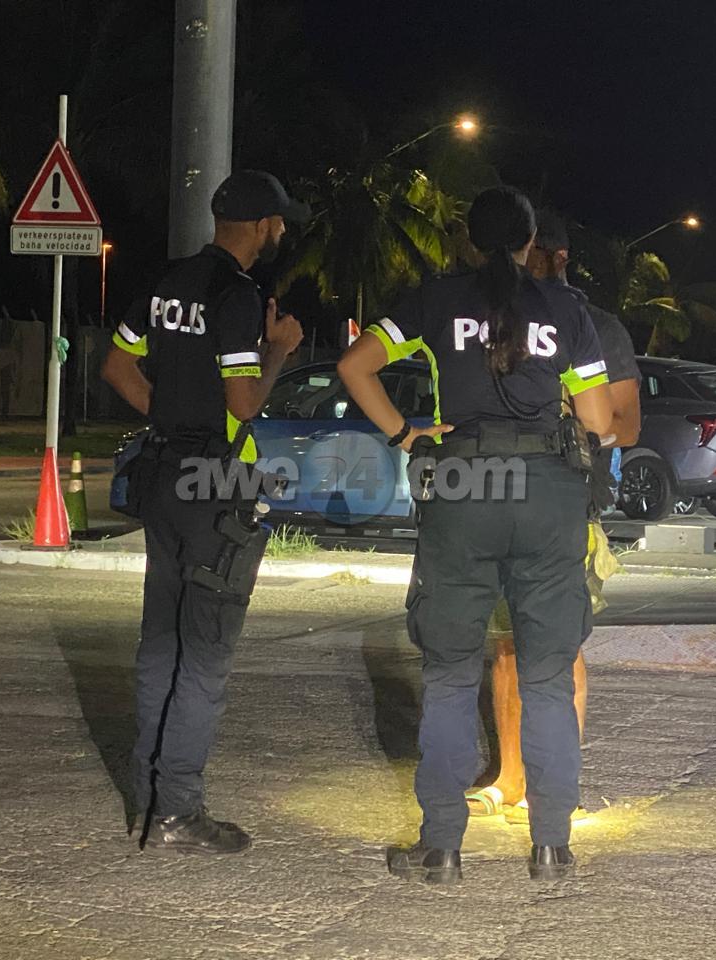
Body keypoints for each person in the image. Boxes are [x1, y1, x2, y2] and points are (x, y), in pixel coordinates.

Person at [338, 186, 614, 883]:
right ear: (530, 242)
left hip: (462, 486)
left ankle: (441, 847)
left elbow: (353, 366)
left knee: (451, 675)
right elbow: (599, 420)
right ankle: (552, 845)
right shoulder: (566, 308)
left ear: (467, 239)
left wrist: (406, 434)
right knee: (547, 677)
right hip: (547, 493)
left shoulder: (434, 299)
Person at [101, 170, 307, 856]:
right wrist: (278, 348)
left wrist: (169, 417)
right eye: (279, 221)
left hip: (161, 474)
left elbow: (116, 366)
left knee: (160, 642)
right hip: (212, 483)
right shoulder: (235, 294)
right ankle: (178, 812)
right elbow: (243, 404)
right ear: (260, 226)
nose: (282, 230)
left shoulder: (168, 281)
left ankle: (148, 802)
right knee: (206, 651)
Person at [465, 207, 642, 826]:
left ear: (553, 257)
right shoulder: (495, 315)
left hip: (568, 503)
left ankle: (554, 783)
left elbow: (625, 424)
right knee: (505, 647)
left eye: (529, 251)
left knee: (558, 648)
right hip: (498, 500)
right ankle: (509, 777)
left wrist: (567, 426)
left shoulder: (595, 325)